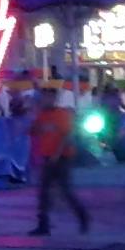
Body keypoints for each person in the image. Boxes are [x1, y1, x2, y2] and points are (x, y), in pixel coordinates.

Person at [27, 86, 89, 236]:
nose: (45, 100)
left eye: (48, 97)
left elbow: (65, 137)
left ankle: (82, 216)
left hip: (61, 158)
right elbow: (33, 131)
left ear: (54, 98)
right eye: (44, 97)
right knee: (44, 192)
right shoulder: (42, 115)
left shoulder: (61, 114)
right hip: (48, 157)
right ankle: (43, 224)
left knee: (65, 191)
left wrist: (56, 154)